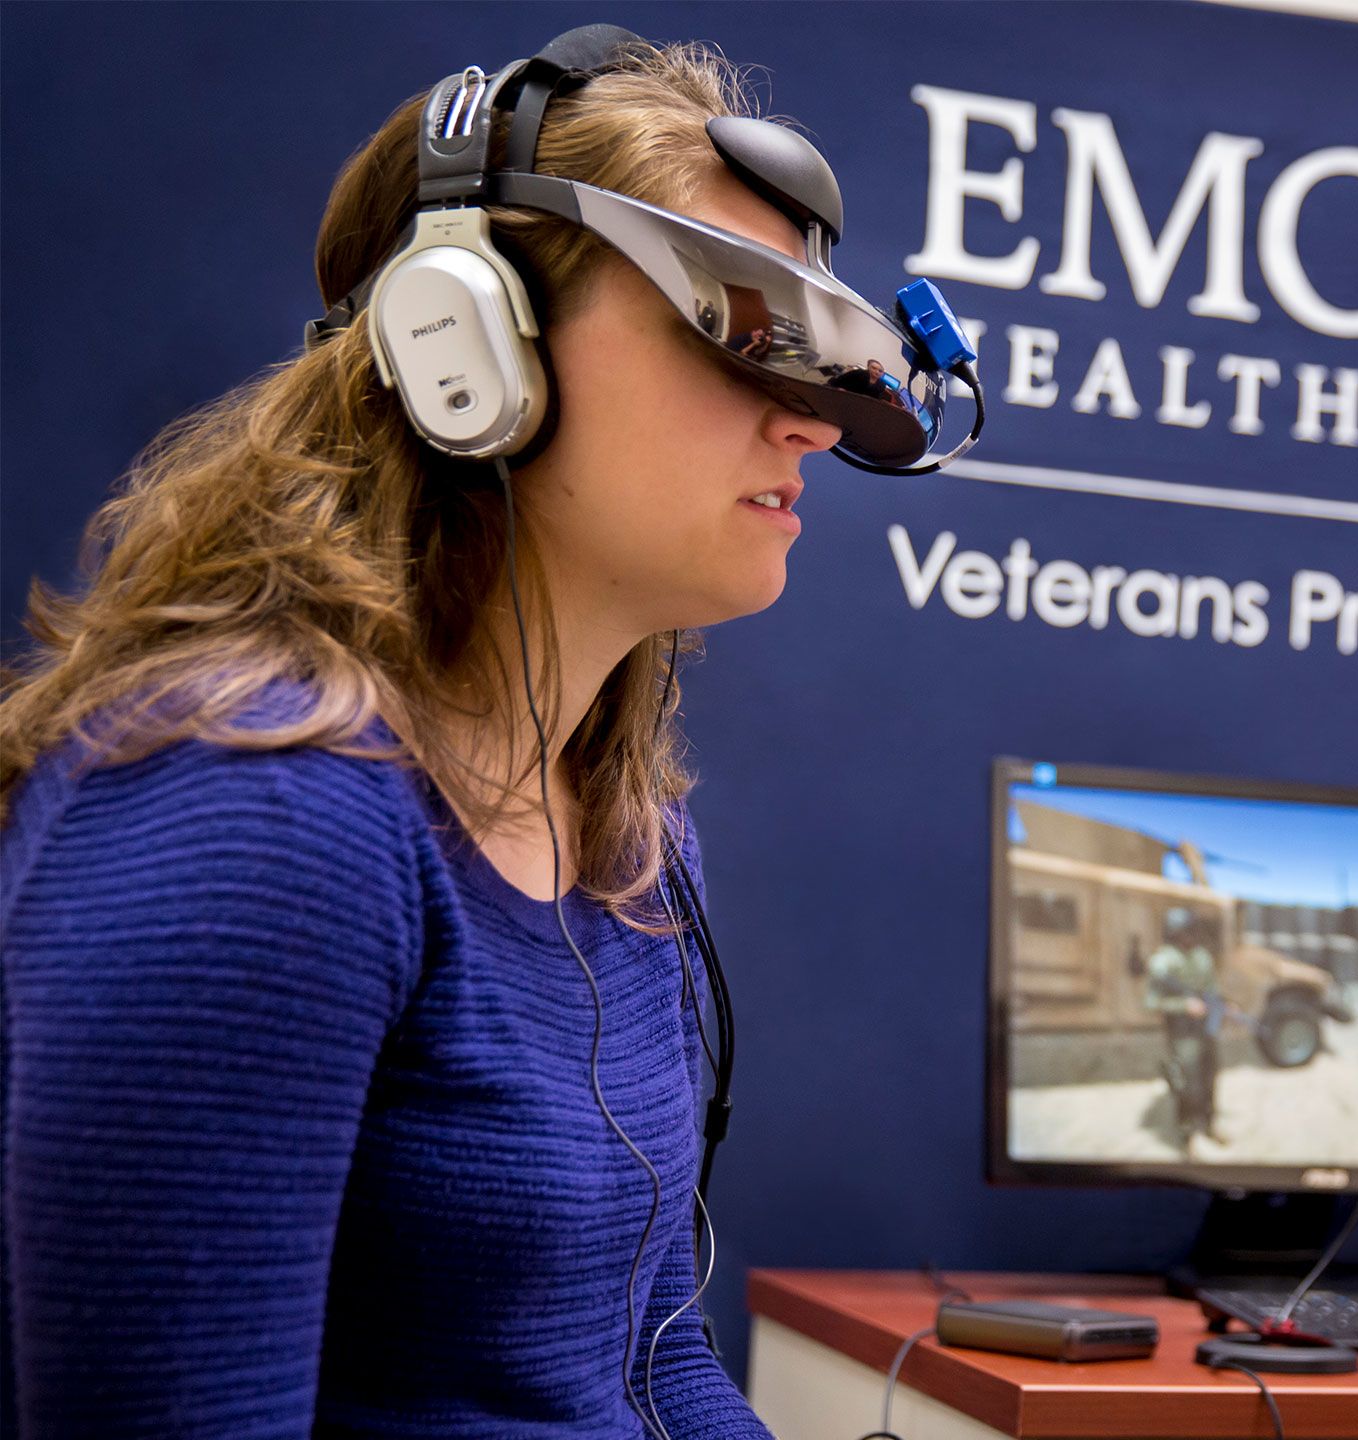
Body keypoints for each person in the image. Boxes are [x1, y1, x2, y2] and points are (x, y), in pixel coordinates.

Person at [0, 29, 960, 1437]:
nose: (807, 425)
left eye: (813, 353)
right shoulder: (251, 816)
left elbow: (649, 1359)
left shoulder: (624, 831)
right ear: (462, 343)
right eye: (739, 332)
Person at [1147, 907, 1227, 1147]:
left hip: (1204, 1031)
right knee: (1184, 1082)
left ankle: (1208, 1124)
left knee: (1209, 1077)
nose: (1190, 936)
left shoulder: (1202, 957)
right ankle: (1185, 1132)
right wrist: (1184, 1005)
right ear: (1174, 933)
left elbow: (1212, 989)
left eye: (1191, 931)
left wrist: (1218, 1005)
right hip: (1182, 1034)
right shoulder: (1163, 961)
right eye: (1184, 932)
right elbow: (1151, 1002)